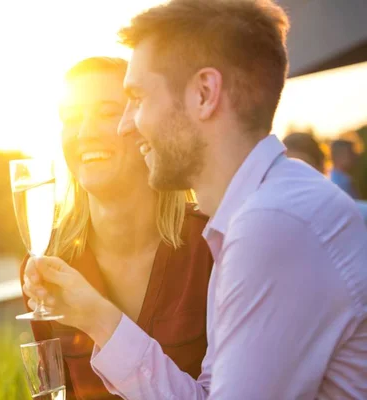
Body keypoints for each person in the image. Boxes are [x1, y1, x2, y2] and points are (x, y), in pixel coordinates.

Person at [24, 1, 367, 399]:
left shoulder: (274, 225)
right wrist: (99, 317)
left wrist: (100, 320)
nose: (126, 124)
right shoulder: (254, 217)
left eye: (137, 99)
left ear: (204, 94)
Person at [20, 56, 213, 399]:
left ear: (148, 125)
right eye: (71, 118)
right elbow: (53, 389)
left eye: (108, 112)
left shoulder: (212, 245)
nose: (85, 132)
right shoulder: (46, 268)